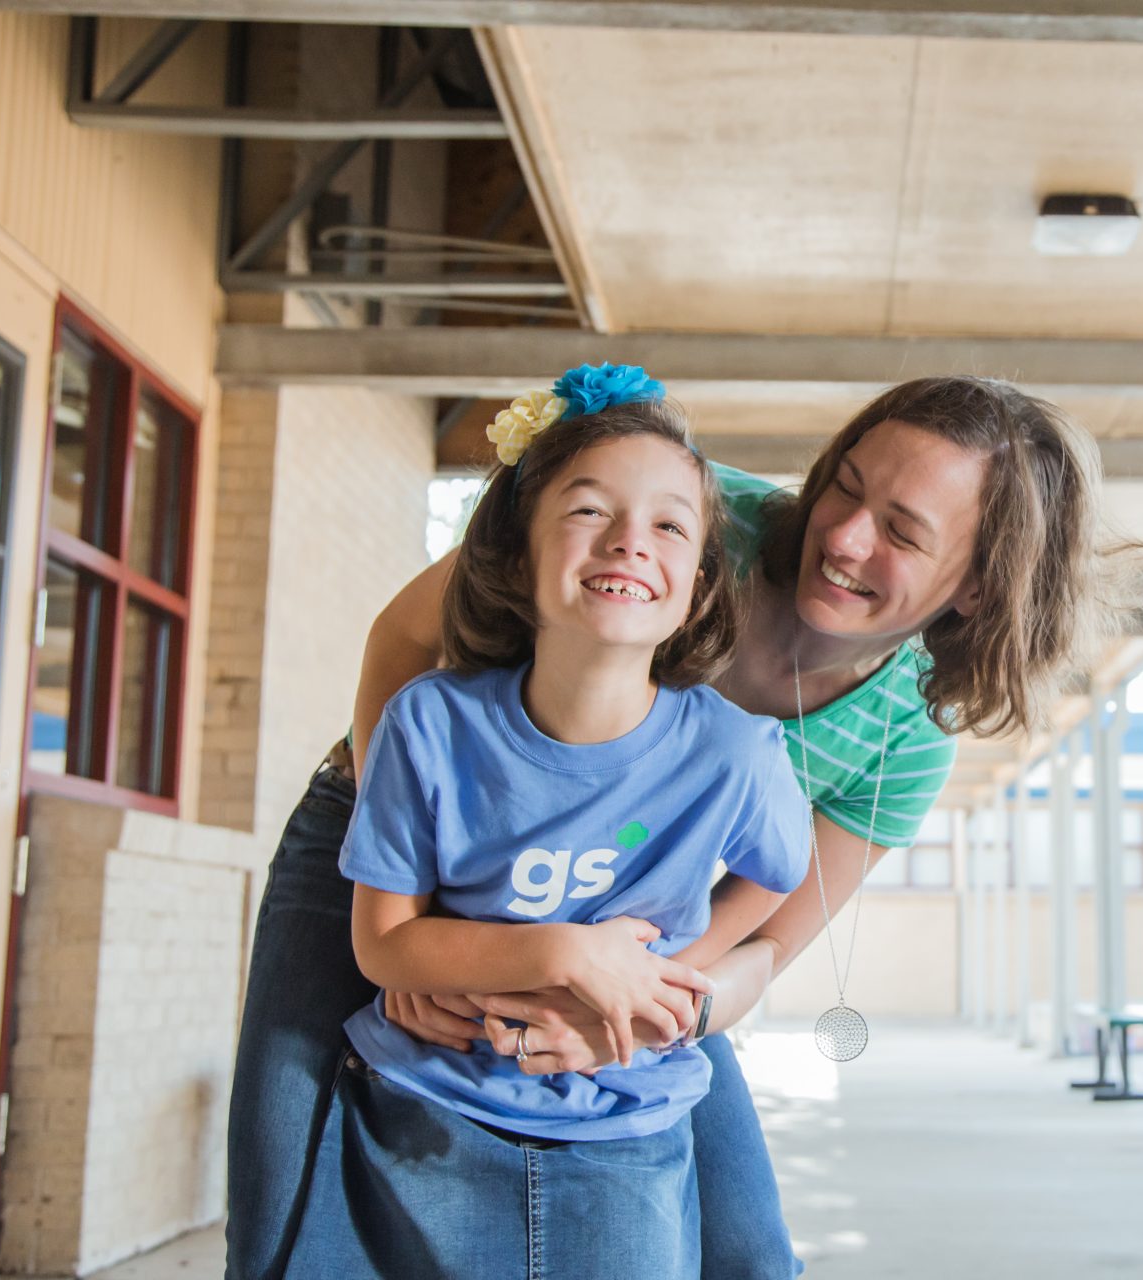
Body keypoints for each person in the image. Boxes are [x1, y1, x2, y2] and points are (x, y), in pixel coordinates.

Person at [227, 374, 1143, 1279]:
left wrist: (632, 1013)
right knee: (278, 1192)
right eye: (845, 485)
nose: (845, 535)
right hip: (395, 836)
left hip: (620, 922)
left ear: (979, 586)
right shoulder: (679, 518)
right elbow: (400, 639)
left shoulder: (903, 743)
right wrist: (437, 931)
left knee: (747, 1247)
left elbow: (764, 942)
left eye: (903, 532)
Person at [286, 366, 810, 1275]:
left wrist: (661, 974)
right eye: (587, 510)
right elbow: (384, 945)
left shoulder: (738, 753)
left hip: (629, 1126)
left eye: (670, 526)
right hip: (426, 1106)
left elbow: (779, 873)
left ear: (696, 586)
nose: (629, 542)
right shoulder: (429, 724)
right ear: (516, 559)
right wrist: (567, 953)